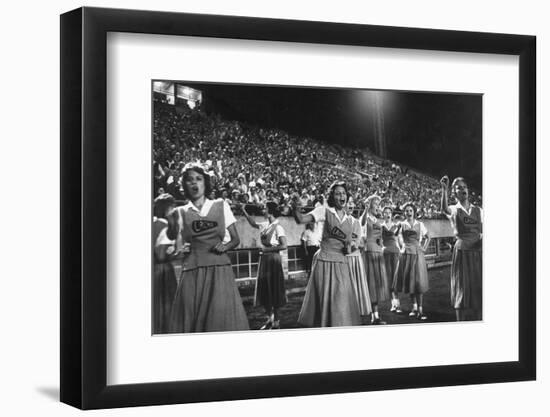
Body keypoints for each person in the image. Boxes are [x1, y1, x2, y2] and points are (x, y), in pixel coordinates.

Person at [167, 163, 249, 332]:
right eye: (189, 180)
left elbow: (235, 240)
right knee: (191, 323)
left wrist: (225, 247)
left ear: (205, 182)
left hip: (219, 270)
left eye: (198, 179)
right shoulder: (180, 212)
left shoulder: (221, 205)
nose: (194, 183)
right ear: (184, 185)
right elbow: (178, 247)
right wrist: (179, 251)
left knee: (220, 322)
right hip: (192, 271)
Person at [291, 181, 361, 327]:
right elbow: (301, 219)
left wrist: (352, 247)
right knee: (324, 301)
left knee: (341, 300)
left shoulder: (350, 220)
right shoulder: (324, 211)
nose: (341, 196)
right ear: (332, 197)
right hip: (324, 261)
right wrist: (296, 206)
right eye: (337, 193)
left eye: (343, 193)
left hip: (342, 263)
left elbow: (350, 246)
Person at [440, 176, 483, 321]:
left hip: (478, 252)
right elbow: (444, 209)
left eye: (464, 186)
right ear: (454, 192)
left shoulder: (478, 210)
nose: (462, 189)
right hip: (462, 252)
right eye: (459, 187)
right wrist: (443, 190)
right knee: (462, 289)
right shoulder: (454, 209)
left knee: (479, 290)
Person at [241, 202, 288, 329]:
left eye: (265, 208)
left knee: (275, 289)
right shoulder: (264, 225)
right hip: (264, 260)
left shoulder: (278, 227)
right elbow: (252, 223)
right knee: (264, 290)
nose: (263, 209)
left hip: (273, 260)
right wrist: (244, 211)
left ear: (271, 211)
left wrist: (267, 250)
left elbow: (284, 245)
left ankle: (277, 321)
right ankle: (270, 318)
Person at [395, 203, 430, 320]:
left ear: (414, 212)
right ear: (404, 213)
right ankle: (414, 308)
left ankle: (421, 309)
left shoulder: (420, 224)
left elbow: (428, 237)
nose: (408, 213)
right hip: (406, 254)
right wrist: (400, 247)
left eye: (410, 210)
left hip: (417, 254)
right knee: (410, 282)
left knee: (418, 282)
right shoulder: (402, 224)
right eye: (406, 211)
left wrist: (424, 248)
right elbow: (395, 236)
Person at [361, 195, 390, 324]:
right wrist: (365, 210)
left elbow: (380, 237)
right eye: (376, 204)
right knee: (371, 285)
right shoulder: (365, 218)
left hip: (378, 253)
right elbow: (361, 224)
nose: (378, 206)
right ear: (369, 205)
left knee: (376, 286)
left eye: (379, 204)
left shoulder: (378, 221)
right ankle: (373, 316)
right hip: (369, 253)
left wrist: (381, 242)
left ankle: (375, 316)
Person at [152, 193, 178, 334]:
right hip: (162, 269)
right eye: (172, 206)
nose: (174, 209)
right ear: (167, 208)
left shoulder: (152, 222)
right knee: (166, 305)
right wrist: (175, 253)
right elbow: (161, 255)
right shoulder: (164, 225)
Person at [347, 214, 372, 320]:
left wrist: (354, 246)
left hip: (355, 257)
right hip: (343, 257)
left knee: (356, 285)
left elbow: (359, 243)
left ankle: (357, 309)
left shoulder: (356, 222)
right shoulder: (337, 220)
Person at [381, 206, 403, 314]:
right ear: (383, 214)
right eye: (385, 212)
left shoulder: (396, 226)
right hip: (385, 253)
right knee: (389, 278)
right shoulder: (380, 226)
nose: (387, 214)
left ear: (391, 214)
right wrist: (381, 248)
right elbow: (378, 240)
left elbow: (400, 239)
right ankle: (393, 304)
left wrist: (402, 248)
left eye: (389, 212)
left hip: (395, 252)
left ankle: (397, 303)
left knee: (395, 278)